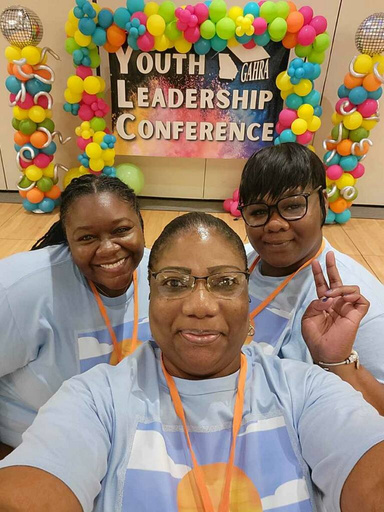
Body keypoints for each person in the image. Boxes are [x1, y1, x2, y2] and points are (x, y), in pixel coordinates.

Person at [1, 212, 384, 512]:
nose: (200, 306)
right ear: (148, 296)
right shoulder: (97, 400)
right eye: (173, 282)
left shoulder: (303, 391)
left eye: (224, 282)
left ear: (249, 298)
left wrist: (336, 362)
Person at [0, 174, 151, 456]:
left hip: (123, 442)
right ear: (68, 240)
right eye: (87, 237)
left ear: (141, 225)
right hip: (33, 449)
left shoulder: (164, 275)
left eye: (121, 230)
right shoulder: (21, 288)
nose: (108, 248)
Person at [238, 142, 384, 414]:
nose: (274, 224)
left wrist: (338, 362)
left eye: (293, 206)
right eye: (258, 211)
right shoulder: (239, 262)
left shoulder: (357, 303)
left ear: (324, 204)